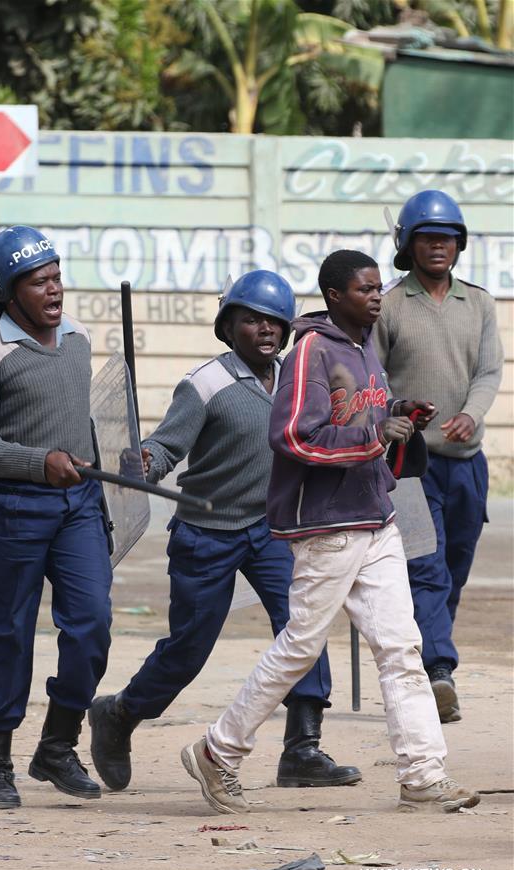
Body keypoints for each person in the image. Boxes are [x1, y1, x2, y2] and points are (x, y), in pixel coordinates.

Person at [180, 250, 480, 815]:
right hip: (327, 527)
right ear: (335, 296)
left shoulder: (366, 344)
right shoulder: (310, 353)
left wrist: (398, 410)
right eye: (365, 290)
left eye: (378, 289)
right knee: (299, 648)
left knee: (401, 647)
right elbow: (292, 434)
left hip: (375, 517)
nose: (377, 297)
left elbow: (361, 410)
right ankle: (217, 750)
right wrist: (373, 432)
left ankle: (422, 773)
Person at [89, 270, 360, 793]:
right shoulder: (204, 384)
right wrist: (143, 461)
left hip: (275, 528)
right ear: (228, 326)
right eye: (250, 319)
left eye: (274, 322)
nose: (264, 330)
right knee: (190, 647)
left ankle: (303, 748)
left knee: (304, 624)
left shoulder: (298, 379)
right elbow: (167, 446)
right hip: (206, 531)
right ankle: (120, 713)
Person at [0, 226, 113, 809]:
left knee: (92, 624)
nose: (54, 290)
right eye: (39, 282)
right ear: (6, 292)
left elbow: (75, 421)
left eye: (57, 276)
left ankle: (58, 746)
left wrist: (85, 469)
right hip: (9, 508)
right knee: (8, 632)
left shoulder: (78, 339)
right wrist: (39, 463)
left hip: (76, 507)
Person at [376, 190, 503, 723]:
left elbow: (489, 372)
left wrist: (472, 413)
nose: (438, 246)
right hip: (410, 464)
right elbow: (371, 379)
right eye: (427, 237)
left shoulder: (479, 303)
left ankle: (431, 662)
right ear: (407, 244)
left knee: (454, 568)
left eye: (447, 238)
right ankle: (439, 669)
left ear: (459, 245)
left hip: (468, 464)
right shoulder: (386, 304)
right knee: (426, 569)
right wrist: (393, 414)